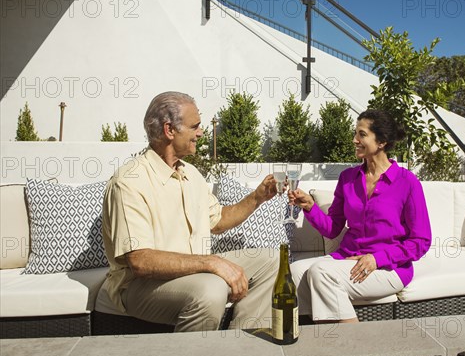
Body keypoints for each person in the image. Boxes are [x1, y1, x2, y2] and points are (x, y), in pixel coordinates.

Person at [101, 91, 279, 332]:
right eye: (194, 126)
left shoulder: (191, 174)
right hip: (141, 285)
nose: (200, 132)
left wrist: (257, 197)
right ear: (169, 130)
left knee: (272, 260)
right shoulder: (129, 181)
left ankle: (245, 344)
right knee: (210, 290)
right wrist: (211, 262)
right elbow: (140, 261)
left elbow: (218, 221)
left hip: (196, 271)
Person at [288, 109, 431, 323]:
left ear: (381, 141)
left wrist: (377, 259)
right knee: (296, 271)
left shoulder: (407, 182)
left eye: (362, 135)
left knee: (321, 272)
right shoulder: (348, 178)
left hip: (388, 268)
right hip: (347, 258)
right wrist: (310, 207)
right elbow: (333, 228)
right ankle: (315, 338)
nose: (355, 140)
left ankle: (354, 345)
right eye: (355, 133)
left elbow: (421, 241)